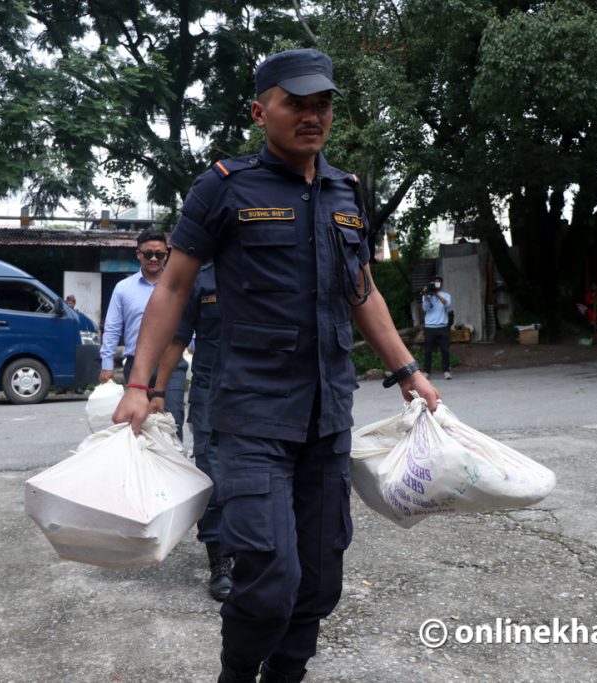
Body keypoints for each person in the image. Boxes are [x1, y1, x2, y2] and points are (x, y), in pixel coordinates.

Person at [112, 48, 440, 683]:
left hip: (325, 417)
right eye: (297, 103)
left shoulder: (347, 192)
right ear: (262, 111)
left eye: (322, 105)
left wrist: (409, 375)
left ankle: (286, 676)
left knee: (319, 582)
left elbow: (363, 292)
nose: (312, 116)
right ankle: (237, 676)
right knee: (269, 579)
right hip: (251, 418)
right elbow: (174, 289)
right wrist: (139, 384)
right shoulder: (224, 186)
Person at [148, 262, 231, 601]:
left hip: (261, 390)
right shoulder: (202, 278)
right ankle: (220, 560)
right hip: (211, 389)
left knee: (256, 472)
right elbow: (178, 338)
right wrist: (157, 391)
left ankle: (253, 547)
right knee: (211, 472)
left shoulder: (267, 266)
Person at [98, 230, 187, 439]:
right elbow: (112, 328)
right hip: (136, 365)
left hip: (171, 364)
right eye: (148, 254)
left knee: (171, 421)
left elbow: (190, 322)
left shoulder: (180, 286)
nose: (154, 259)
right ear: (138, 254)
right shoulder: (123, 289)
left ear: (167, 254)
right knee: (138, 423)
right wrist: (106, 365)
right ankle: (143, 469)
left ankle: (173, 469)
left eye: (160, 254)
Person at [421, 275, 453, 380]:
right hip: (430, 327)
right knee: (428, 351)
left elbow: (448, 305)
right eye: (435, 283)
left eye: (439, 282)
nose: (437, 284)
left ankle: (446, 371)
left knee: (445, 350)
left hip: (443, 327)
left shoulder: (446, 295)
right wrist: (427, 295)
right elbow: (425, 308)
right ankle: (426, 372)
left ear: (442, 284)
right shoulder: (427, 296)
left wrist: (437, 295)